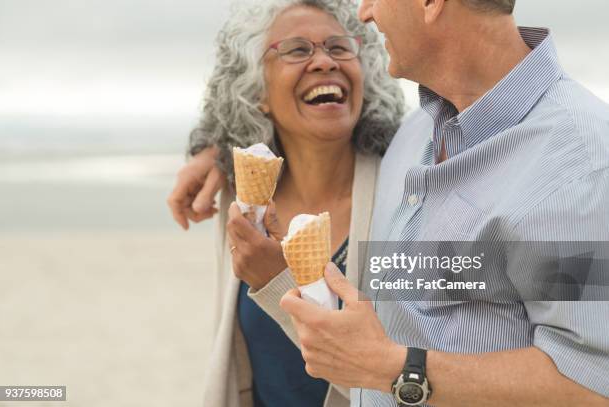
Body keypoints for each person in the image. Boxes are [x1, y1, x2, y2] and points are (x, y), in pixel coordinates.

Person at [174, 0, 609, 406]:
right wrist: (215, 149)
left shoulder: (578, 163)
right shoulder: (412, 139)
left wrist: (399, 369)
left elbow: (595, 382)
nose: (364, 12)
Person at [167, 0, 405, 406]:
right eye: (297, 50)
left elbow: (392, 379)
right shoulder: (242, 202)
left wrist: (276, 280)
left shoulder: (404, 193)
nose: (324, 62)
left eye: (340, 47)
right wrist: (216, 149)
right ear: (256, 90)